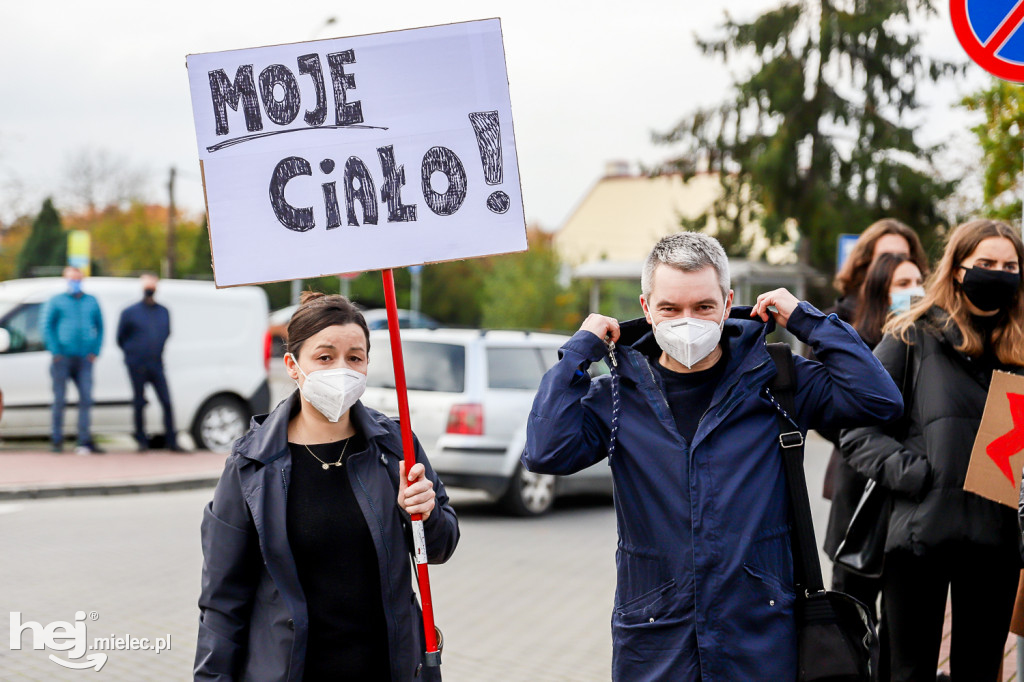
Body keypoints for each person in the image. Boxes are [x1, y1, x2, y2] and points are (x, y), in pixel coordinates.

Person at [523, 231, 903, 680]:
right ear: (647, 309)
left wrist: (807, 319)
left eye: (703, 307)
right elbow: (545, 451)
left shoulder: (777, 380)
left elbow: (880, 400)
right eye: (670, 308)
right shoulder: (619, 397)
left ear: (727, 303)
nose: (688, 321)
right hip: (656, 640)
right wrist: (580, 352)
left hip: (759, 638)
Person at [194, 293, 459, 682]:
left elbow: (440, 546)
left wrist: (426, 512)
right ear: (292, 366)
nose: (342, 369)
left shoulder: (394, 447)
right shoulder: (251, 465)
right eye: (324, 357)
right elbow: (222, 601)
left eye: (355, 357)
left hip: (389, 668)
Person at [841, 219, 1024, 680]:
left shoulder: (1022, 350)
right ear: (957, 268)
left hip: (997, 541)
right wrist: (916, 475)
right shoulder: (912, 334)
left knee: (981, 671)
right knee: (909, 671)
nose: (998, 273)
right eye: (985, 263)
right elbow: (857, 429)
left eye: (1010, 265)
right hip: (919, 538)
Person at [117, 273, 181, 452]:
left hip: (156, 363)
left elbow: (166, 333)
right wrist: (133, 354)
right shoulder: (130, 312)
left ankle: (172, 441)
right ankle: (141, 441)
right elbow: (120, 338)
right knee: (139, 402)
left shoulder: (163, 311)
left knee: (166, 402)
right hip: (136, 364)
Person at [43, 266, 104, 454]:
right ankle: (56, 440)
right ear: (65, 279)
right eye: (71, 278)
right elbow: (47, 326)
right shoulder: (57, 301)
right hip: (63, 358)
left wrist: (94, 351)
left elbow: (100, 327)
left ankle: (84, 441)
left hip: (85, 358)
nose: (74, 282)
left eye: (77, 278)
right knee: (59, 399)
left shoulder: (91, 301)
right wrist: (56, 351)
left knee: (86, 399)